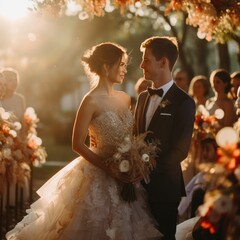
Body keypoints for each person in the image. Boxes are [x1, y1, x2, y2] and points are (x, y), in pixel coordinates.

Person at [6, 42, 162, 240]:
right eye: (121, 64)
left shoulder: (125, 98)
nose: (125, 69)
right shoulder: (90, 101)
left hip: (125, 175)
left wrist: (133, 161)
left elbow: (131, 138)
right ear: (106, 67)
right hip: (98, 173)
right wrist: (109, 168)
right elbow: (77, 144)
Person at [134, 36, 196, 240]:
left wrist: (147, 172)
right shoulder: (143, 97)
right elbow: (135, 137)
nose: (141, 64)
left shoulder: (184, 102)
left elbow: (180, 150)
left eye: (146, 59)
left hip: (164, 189)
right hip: (135, 188)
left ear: (163, 62)